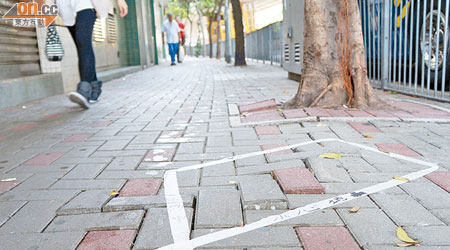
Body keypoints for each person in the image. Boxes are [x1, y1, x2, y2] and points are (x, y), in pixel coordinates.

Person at [55, 0, 128, 109]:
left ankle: (84, 90)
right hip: (65, 4)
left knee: (83, 41)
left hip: (85, 3)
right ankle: (95, 88)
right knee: (82, 46)